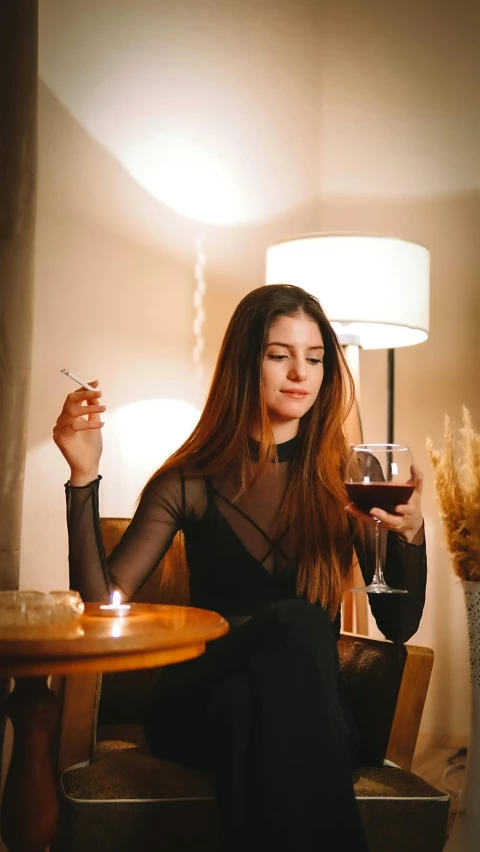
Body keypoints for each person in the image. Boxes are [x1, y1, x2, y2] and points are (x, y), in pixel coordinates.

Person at [53, 284, 426, 852]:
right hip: (197, 701)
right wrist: (83, 478)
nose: (300, 371)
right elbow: (102, 605)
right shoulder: (190, 479)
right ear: (244, 363)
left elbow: (398, 625)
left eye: (315, 357)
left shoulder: (348, 476)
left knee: (250, 709)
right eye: (279, 354)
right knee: (299, 624)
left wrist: (410, 537)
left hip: (294, 707)